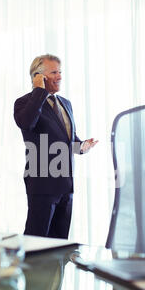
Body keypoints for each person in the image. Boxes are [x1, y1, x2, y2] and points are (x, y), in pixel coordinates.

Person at [14, 54, 97, 238]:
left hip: (66, 186)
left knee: (59, 245)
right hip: (42, 184)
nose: (59, 76)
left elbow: (69, 141)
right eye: (54, 72)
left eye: (60, 72)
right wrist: (39, 91)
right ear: (39, 77)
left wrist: (81, 146)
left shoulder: (66, 104)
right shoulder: (24, 103)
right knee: (37, 242)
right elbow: (27, 123)